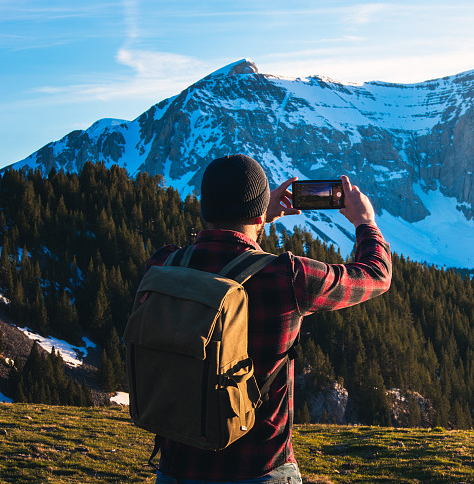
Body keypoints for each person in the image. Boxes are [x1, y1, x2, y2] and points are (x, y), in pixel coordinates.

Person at [147, 154, 392, 483]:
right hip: (259, 469)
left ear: (205, 209)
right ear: (258, 212)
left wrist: (259, 216)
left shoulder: (163, 264)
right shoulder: (286, 276)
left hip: (178, 468)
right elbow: (375, 275)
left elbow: (209, 255)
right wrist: (365, 222)